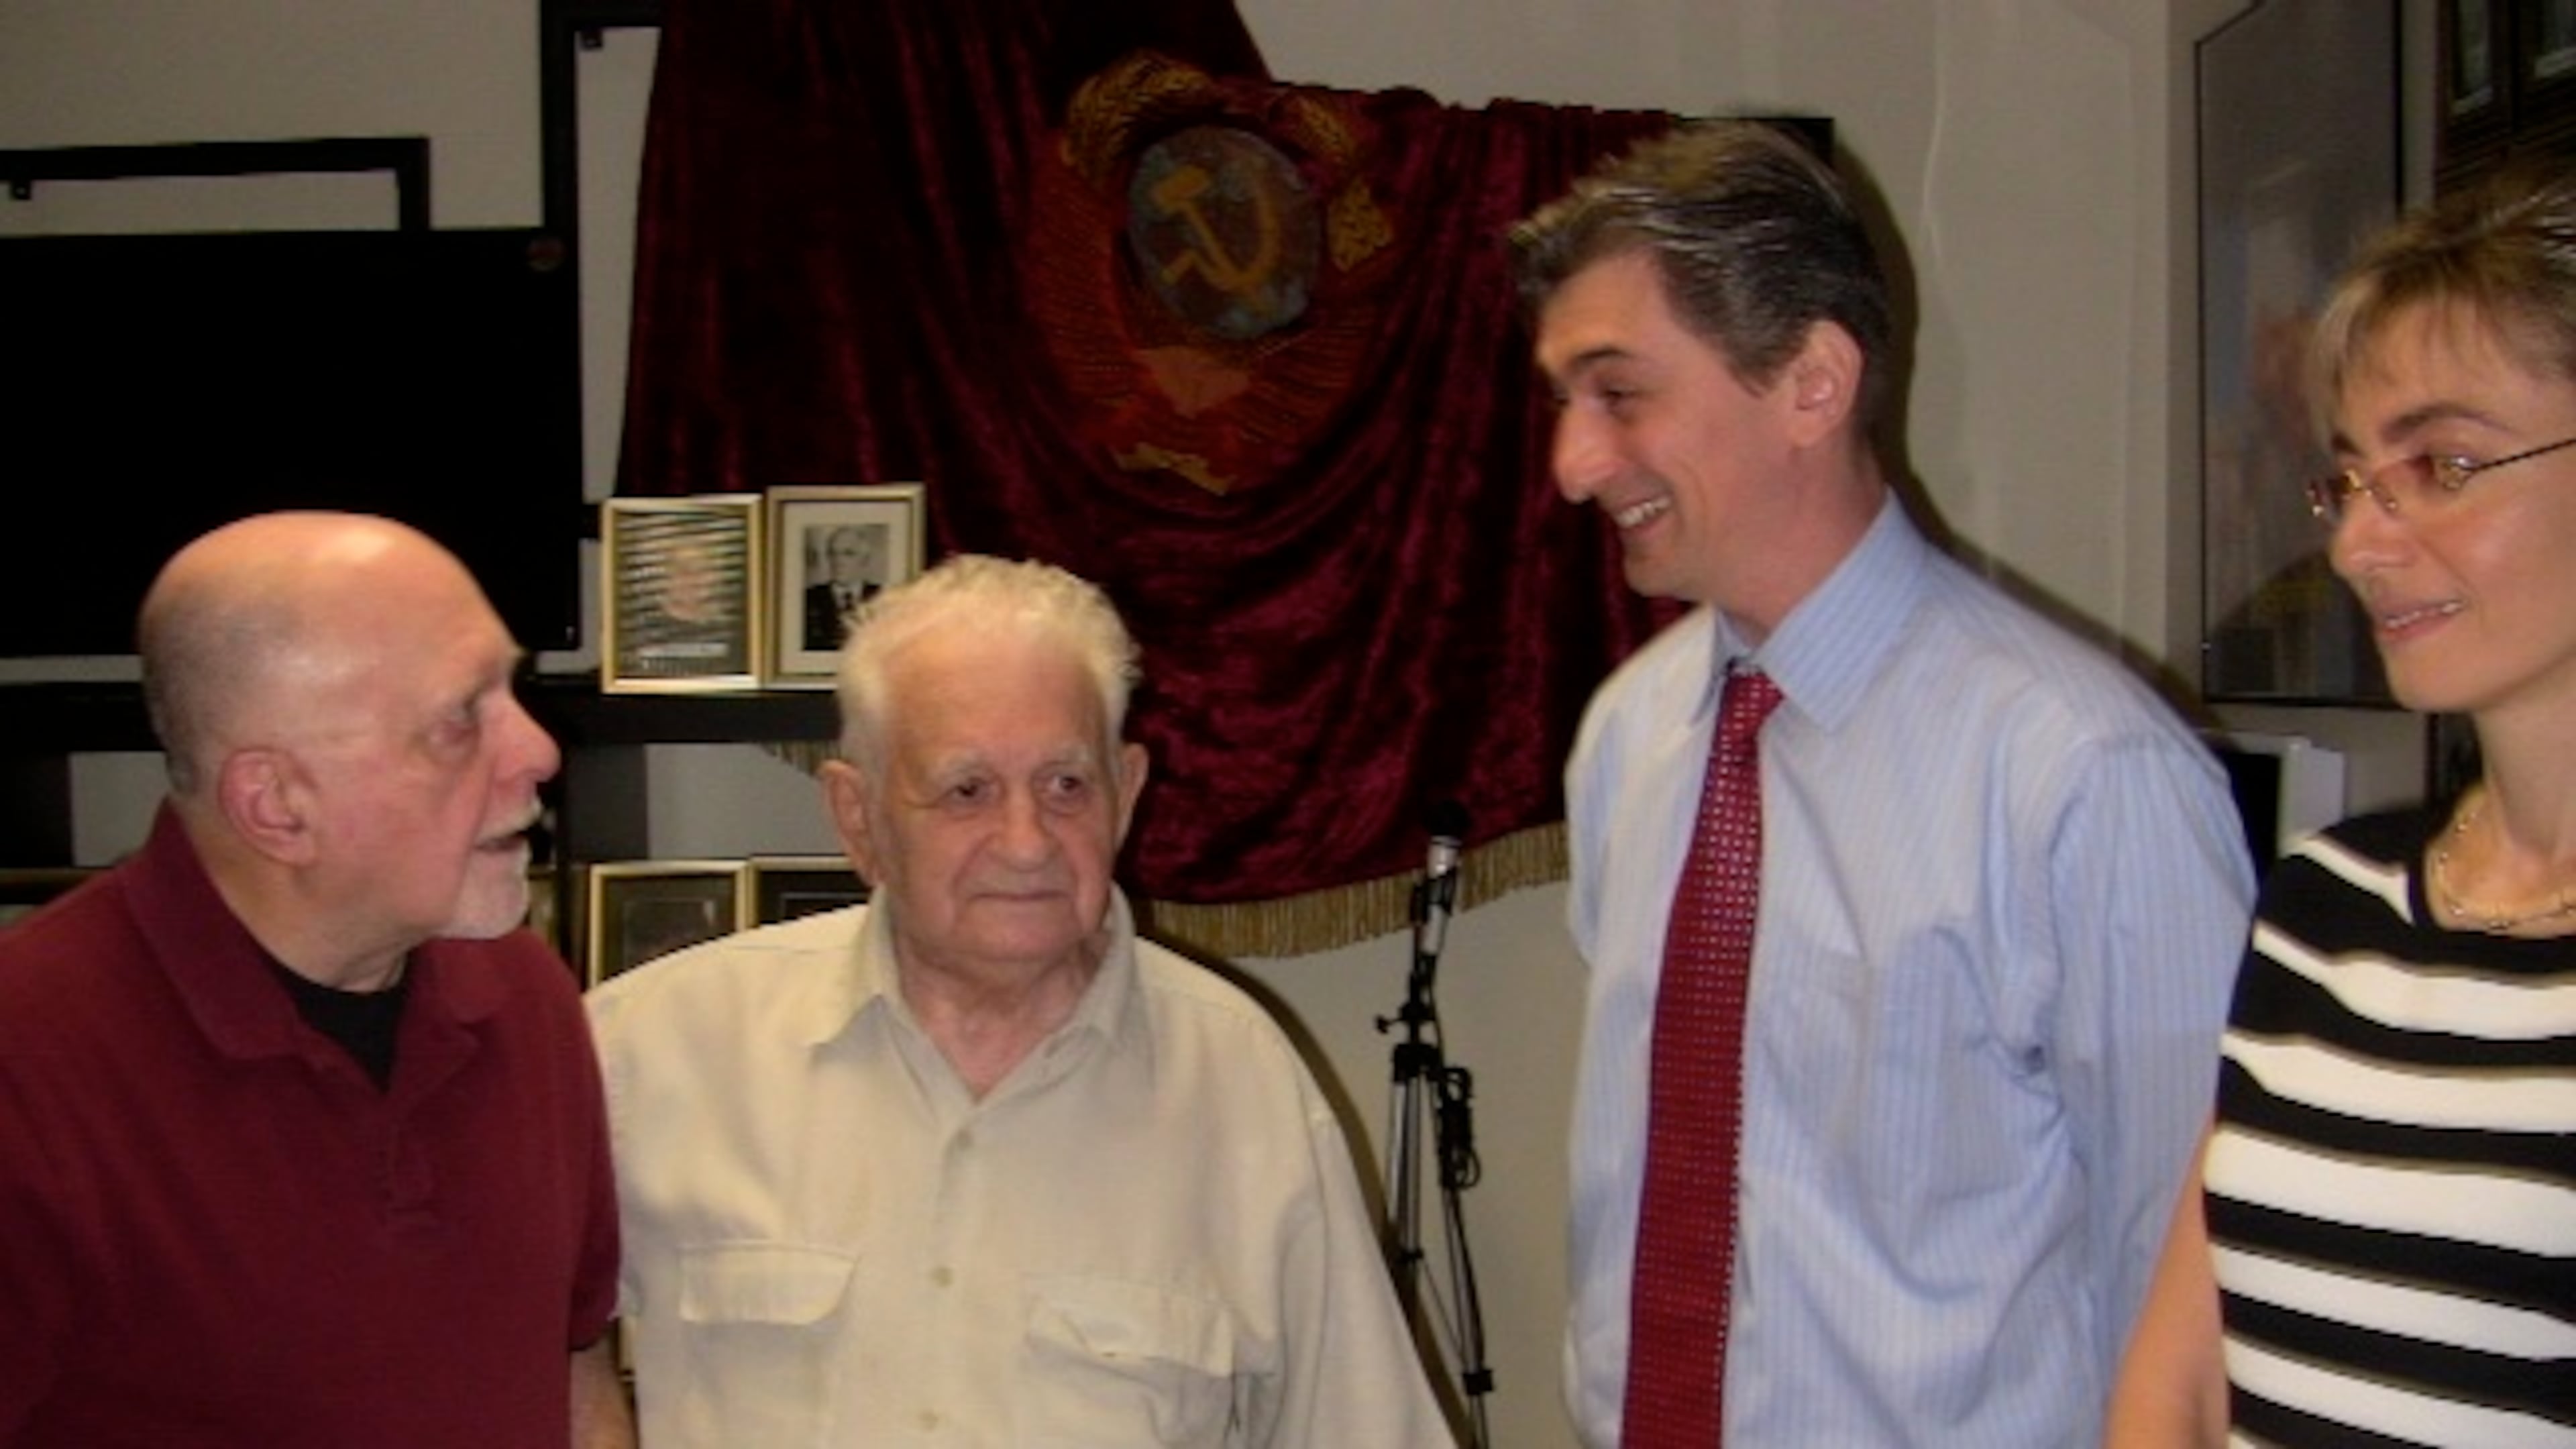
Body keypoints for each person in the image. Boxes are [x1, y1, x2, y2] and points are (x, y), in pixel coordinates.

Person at [1506, 121, 2255, 1446]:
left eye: (1619, 393)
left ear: (1810, 380)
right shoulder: (1632, 736)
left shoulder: (2086, 776)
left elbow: (2193, 1307)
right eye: (1565, 401)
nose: (1572, 462)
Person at [582, 553, 1456, 1447]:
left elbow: (1366, 1428)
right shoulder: (650, 1052)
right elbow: (475, 1340)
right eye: (967, 790)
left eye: (1066, 785)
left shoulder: (1241, 1086)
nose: (1027, 841)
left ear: (1127, 795)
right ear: (858, 818)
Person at [2108, 166, 2576, 1446]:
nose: (2360, 542)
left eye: (2446, 463)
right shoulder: (2324, 905)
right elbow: (2179, 1382)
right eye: (2355, 478)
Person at [0, 512, 628, 1446]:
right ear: (277, 806)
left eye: (514, 690)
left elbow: (571, 1367)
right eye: (461, 719)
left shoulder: (523, 994)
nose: (537, 751)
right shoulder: (30, 1060)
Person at [802, 522, 887, 651]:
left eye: (848, 554)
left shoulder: (883, 597)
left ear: (865, 559)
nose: (838, 561)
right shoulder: (808, 598)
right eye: (833, 553)